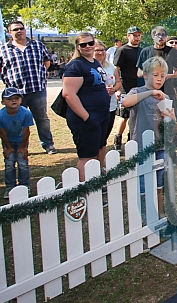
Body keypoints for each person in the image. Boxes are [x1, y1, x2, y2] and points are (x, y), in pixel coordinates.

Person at [121, 56, 176, 213]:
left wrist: (170, 117)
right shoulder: (137, 92)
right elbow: (126, 103)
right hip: (141, 147)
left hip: (161, 146)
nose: (159, 79)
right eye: (155, 75)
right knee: (143, 188)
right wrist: (151, 92)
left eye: (163, 76)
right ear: (145, 75)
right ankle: (143, 220)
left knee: (159, 186)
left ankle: (156, 217)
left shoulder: (165, 97)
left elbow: (172, 122)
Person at [0, 20, 56, 154]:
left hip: (37, 89)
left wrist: (40, 76)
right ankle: (19, 146)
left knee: (41, 118)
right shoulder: (4, 49)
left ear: (25, 30)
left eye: (21, 28)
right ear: (10, 33)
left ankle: (48, 144)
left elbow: (46, 62)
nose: (19, 31)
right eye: (15, 30)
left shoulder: (37, 45)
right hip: (15, 93)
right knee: (17, 121)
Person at [62, 32, 112, 181]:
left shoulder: (95, 62)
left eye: (91, 43)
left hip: (101, 115)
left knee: (97, 152)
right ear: (78, 47)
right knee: (87, 157)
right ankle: (85, 194)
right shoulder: (75, 65)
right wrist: (86, 117)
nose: (88, 47)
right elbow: (68, 94)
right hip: (86, 117)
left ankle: (95, 186)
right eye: (83, 44)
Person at [113, 26, 144, 151]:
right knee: (124, 116)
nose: (137, 38)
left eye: (138, 35)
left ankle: (131, 140)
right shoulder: (122, 50)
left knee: (137, 116)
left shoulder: (143, 51)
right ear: (128, 36)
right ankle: (117, 141)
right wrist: (118, 87)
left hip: (140, 87)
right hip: (126, 87)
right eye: (134, 35)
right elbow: (116, 69)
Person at [0, 87, 33, 199]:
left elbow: (26, 130)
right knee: (9, 163)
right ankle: (10, 186)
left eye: (16, 98)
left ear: (21, 100)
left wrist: (23, 147)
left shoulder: (26, 113)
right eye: (9, 99)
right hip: (8, 141)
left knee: (23, 163)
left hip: (21, 141)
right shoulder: (1, 115)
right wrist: (8, 147)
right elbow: (2, 132)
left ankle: (24, 185)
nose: (13, 101)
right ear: (3, 102)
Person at [93, 40, 122, 161]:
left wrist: (114, 89)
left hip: (110, 107)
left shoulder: (110, 66)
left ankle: (100, 166)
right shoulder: (86, 66)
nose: (100, 52)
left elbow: (119, 82)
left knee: (104, 138)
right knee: (94, 139)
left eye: (102, 50)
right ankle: (91, 167)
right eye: (97, 50)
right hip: (93, 108)